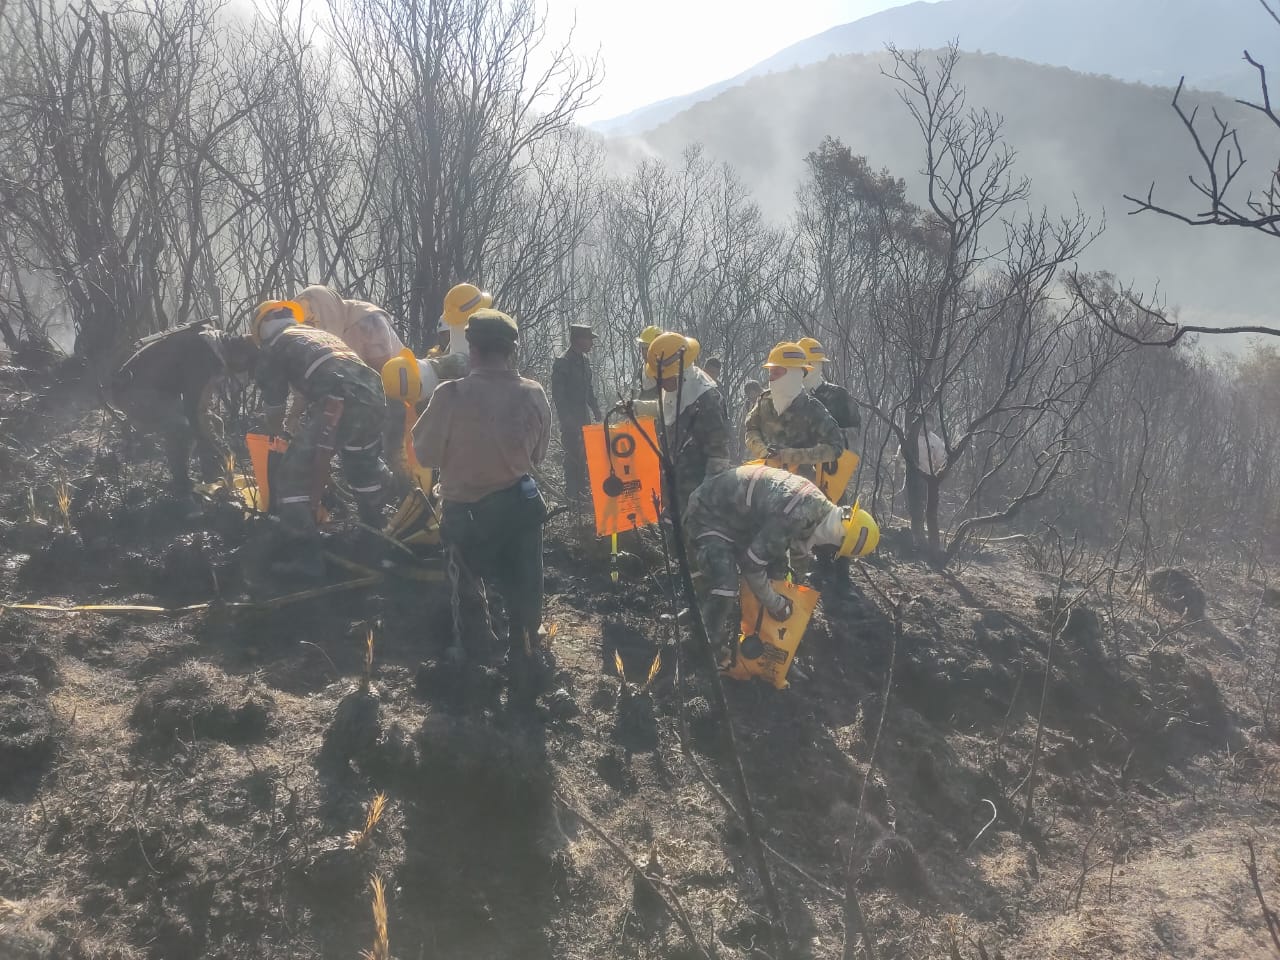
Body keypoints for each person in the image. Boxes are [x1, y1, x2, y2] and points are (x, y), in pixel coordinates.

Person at [414, 308, 553, 699]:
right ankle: (525, 659)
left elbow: (423, 455)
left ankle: (474, 667)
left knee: (465, 593)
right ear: (512, 350)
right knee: (525, 591)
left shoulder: (449, 394)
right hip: (517, 510)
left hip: (465, 515)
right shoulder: (533, 393)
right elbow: (539, 455)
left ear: (471, 350)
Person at [685, 463, 879, 664]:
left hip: (737, 518)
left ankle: (703, 612)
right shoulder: (797, 516)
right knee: (725, 585)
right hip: (708, 514)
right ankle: (708, 649)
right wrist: (776, 604)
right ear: (839, 537)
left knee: (775, 566)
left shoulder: (816, 504)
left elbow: (781, 549)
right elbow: (752, 565)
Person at [252, 300, 392, 574]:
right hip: (375, 395)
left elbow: (274, 405)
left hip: (340, 404)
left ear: (262, 329)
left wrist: (275, 432)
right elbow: (320, 378)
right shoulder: (318, 336)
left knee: (291, 475)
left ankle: (306, 557)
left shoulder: (274, 347)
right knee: (361, 466)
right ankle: (376, 537)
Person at [111, 320, 258, 511]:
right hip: (133, 391)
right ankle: (182, 489)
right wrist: (220, 448)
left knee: (214, 423)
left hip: (159, 391)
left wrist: (215, 441)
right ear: (241, 358)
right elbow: (194, 411)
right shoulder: (205, 355)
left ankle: (213, 478)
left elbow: (202, 408)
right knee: (181, 427)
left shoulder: (216, 346)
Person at [624, 332, 731, 515]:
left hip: (697, 485)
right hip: (676, 476)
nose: (660, 383)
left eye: (663, 378)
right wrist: (637, 407)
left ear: (679, 372)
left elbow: (718, 452)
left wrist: (707, 494)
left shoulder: (707, 399)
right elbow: (668, 408)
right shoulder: (679, 388)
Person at [744, 342, 844, 480]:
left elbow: (836, 447)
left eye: (777, 372)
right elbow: (751, 430)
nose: (771, 378)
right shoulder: (764, 402)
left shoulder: (813, 410)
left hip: (800, 489)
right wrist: (763, 452)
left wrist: (790, 456)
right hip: (763, 483)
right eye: (770, 372)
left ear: (793, 374)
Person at [550, 323, 601, 502]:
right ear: (579, 340)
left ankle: (583, 493)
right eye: (589, 339)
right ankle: (572, 498)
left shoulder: (585, 361)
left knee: (585, 456)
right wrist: (567, 420)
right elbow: (558, 396)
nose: (591, 344)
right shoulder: (563, 363)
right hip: (570, 420)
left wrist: (596, 411)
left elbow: (589, 390)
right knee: (572, 458)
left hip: (584, 418)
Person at [798, 337, 860, 435]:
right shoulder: (790, 397)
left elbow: (853, 435)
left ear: (820, 364)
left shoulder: (839, 397)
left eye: (809, 363)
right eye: (800, 364)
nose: (804, 368)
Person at [635, 324, 662, 400]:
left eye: (647, 348)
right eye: (643, 348)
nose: (644, 352)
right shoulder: (642, 372)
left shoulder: (665, 373)